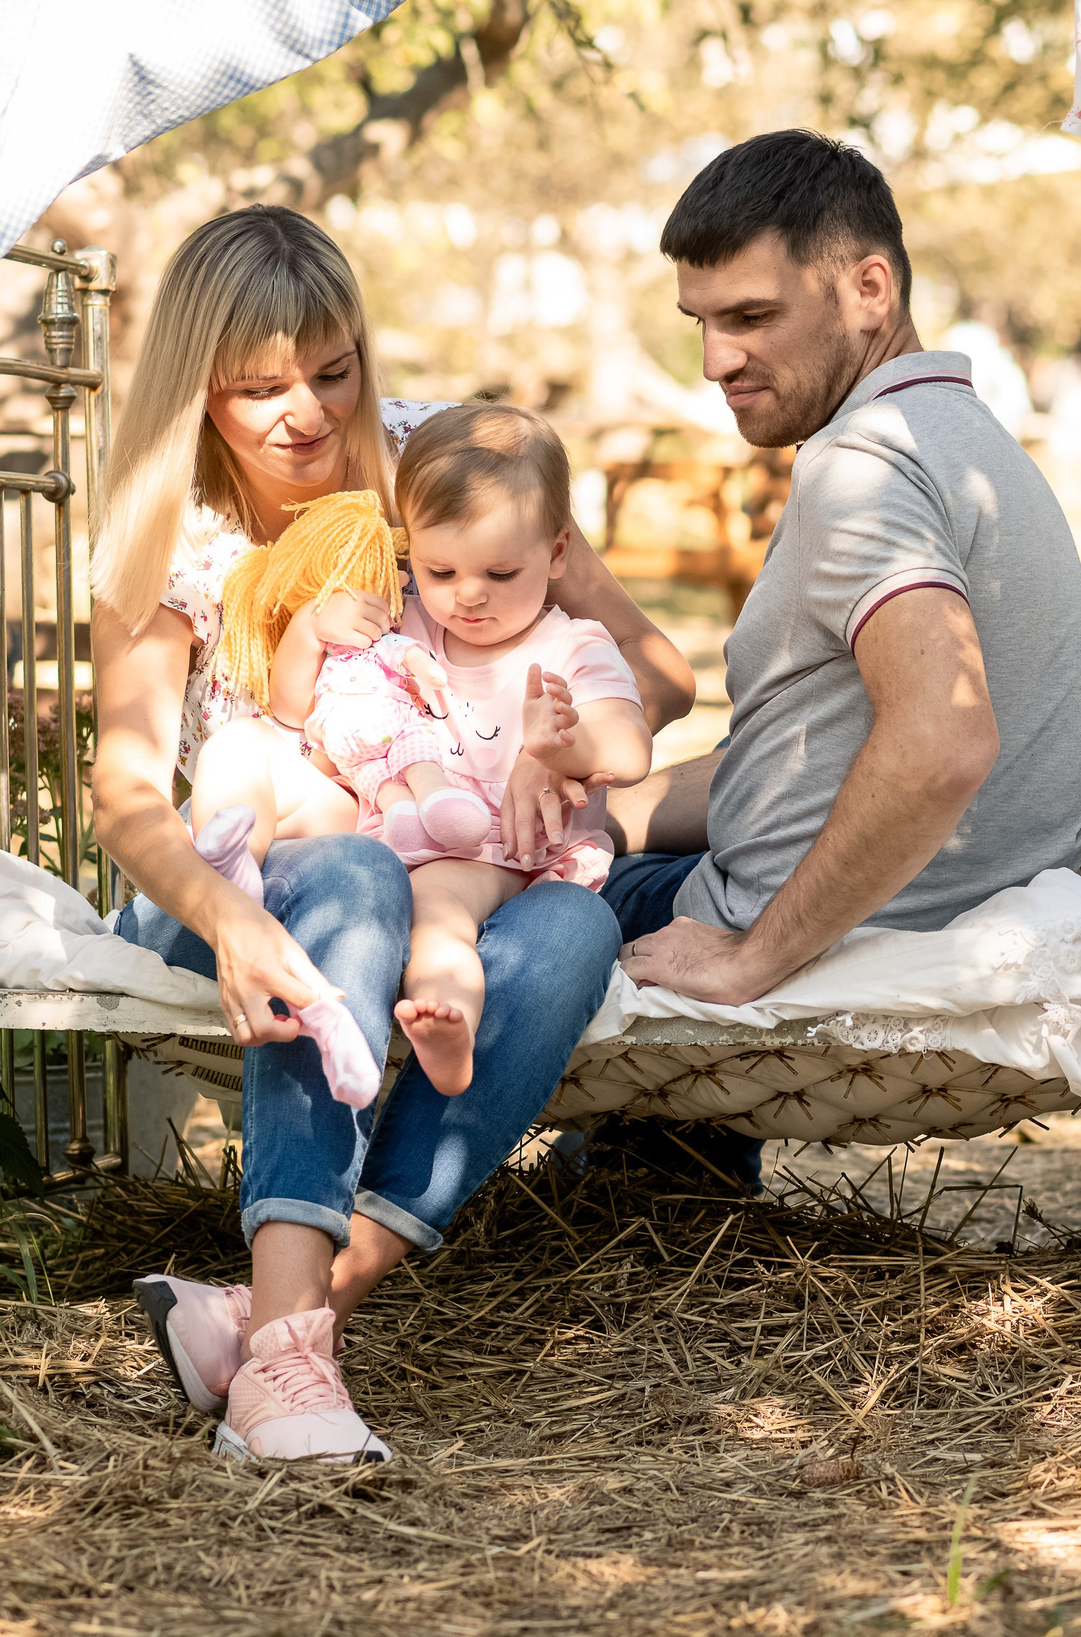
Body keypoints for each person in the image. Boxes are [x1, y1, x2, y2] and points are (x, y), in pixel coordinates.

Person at [91, 205, 691, 1463]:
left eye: (332, 370)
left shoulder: (438, 460)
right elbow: (128, 792)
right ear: (197, 388)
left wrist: (552, 726)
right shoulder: (178, 539)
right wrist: (233, 919)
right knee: (356, 880)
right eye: (257, 386)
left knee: (573, 923)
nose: (304, 412)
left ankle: (281, 1333)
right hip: (237, 873)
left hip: (453, 859)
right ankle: (294, 1373)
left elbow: (656, 674)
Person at [596, 130, 1081, 1180]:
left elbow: (942, 741)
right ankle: (649, 1184)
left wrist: (751, 958)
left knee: (457, 888)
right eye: (699, 322)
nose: (715, 361)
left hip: (819, 921)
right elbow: (802, 760)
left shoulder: (860, 470)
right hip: (953, 892)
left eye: (750, 317)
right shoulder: (965, 444)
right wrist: (606, 810)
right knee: (576, 839)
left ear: (868, 288)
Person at [186, 406, 652, 1102]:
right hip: (381, 819)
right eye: (441, 570)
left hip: (494, 854)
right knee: (242, 743)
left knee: (436, 907)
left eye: (499, 573)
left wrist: (561, 745)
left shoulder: (570, 646)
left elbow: (631, 744)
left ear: (556, 553)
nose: (467, 595)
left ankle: (448, 1020)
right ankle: (232, 871)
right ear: (413, 552)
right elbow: (290, 710)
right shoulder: (402, 619)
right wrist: (313, 631)